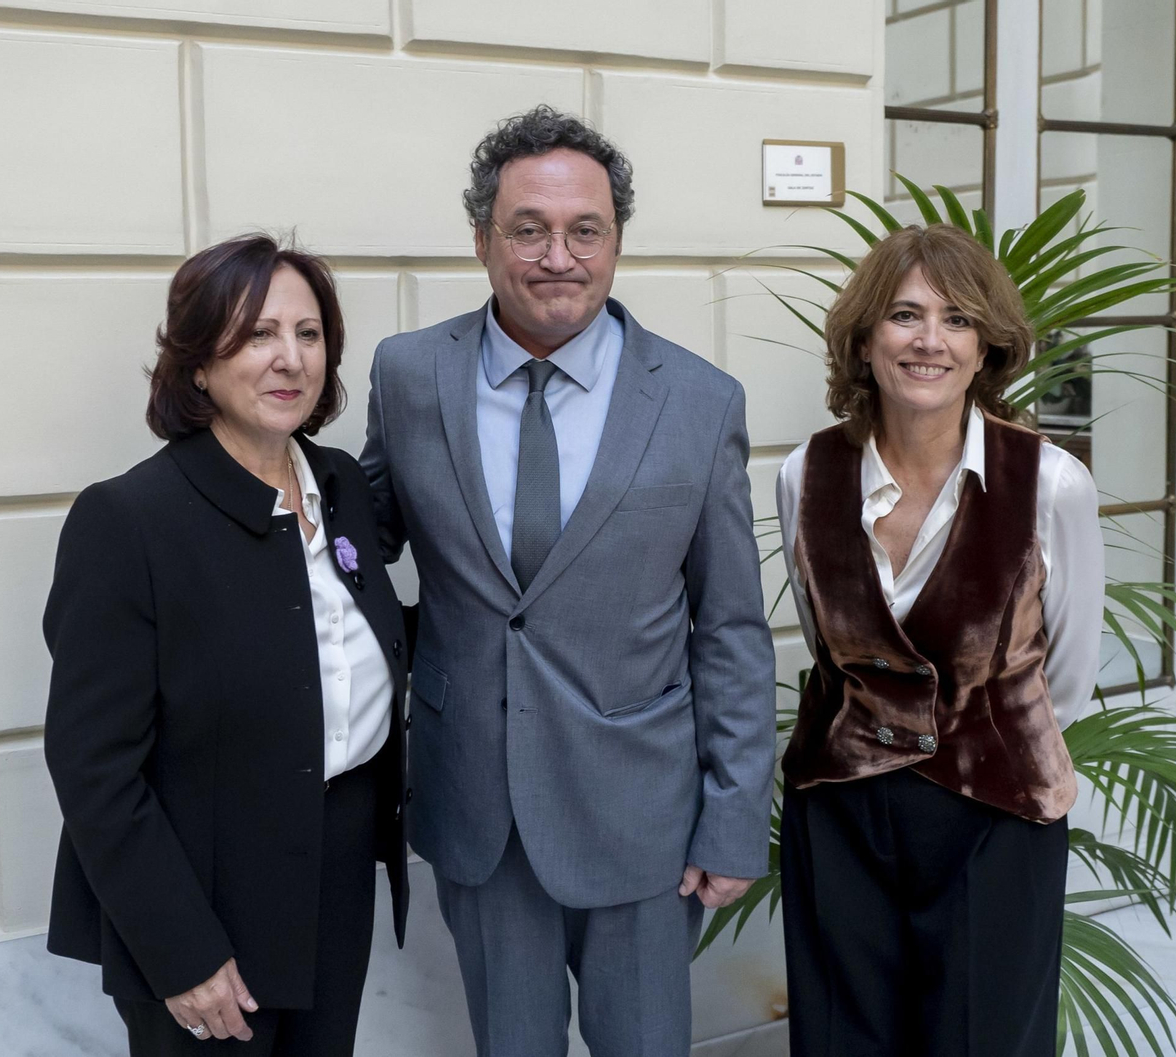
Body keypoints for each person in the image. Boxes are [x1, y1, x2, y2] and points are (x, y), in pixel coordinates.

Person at [359, 105, 776, 1057]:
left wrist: (734, 817)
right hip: (477, 802)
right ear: (482, 239)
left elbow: (732, 628)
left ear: (616, 239)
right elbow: (363, 537)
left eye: (585, 229)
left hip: (643, 817)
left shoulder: (701, 402)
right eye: (529, 229)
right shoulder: (411, 375)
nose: (559, 255)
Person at [42, 233, 409, 1056]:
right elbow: (92, 765)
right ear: (198, 363)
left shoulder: (342, 483)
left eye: (308, 334)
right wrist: (180, 951)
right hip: (206, 901)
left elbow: (349, 646)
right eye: (257, 335)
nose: (289, 359)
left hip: (337, 869)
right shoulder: (130, 522)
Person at [775, 223, 1105, 1056]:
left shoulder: (1053, 484)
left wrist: (987, 740)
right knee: (843, 1039)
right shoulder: (802, 475)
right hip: (840, 806)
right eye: (904, 315)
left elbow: (1065, 676)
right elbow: (830, 643)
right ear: (863, 337)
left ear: (988, 344)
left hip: (997, 814)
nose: (930, 340)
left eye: (958, 319)